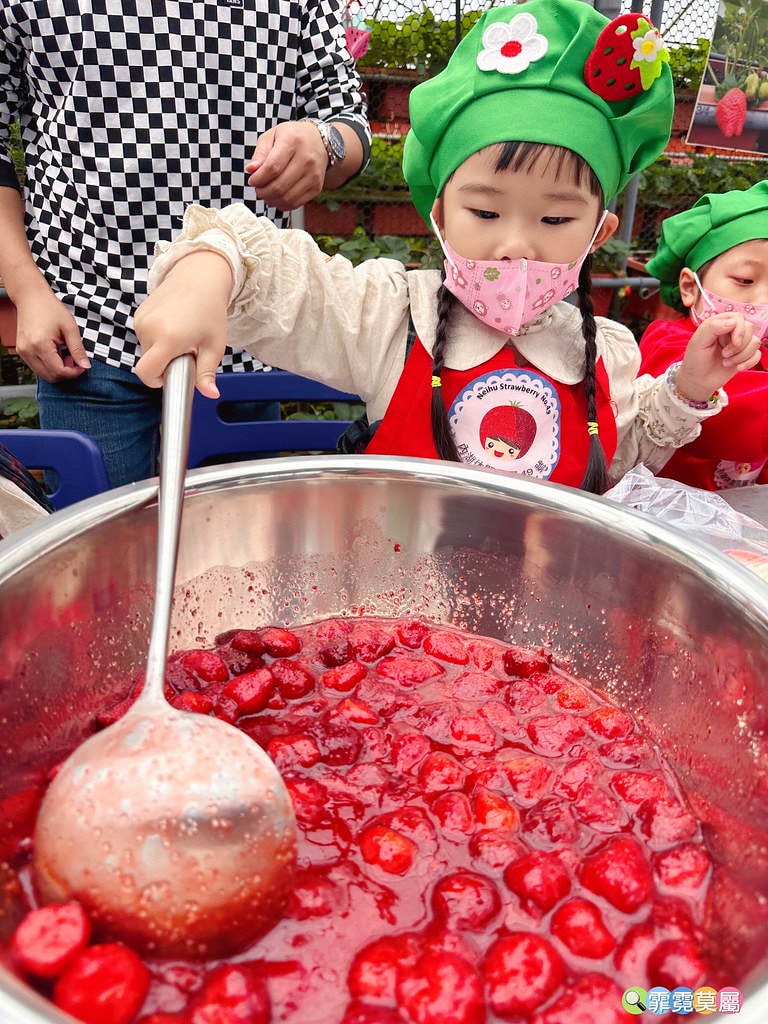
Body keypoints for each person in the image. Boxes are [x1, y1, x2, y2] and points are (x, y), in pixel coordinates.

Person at [132, 0, 761, 494]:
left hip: (542, 609)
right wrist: (207, 270)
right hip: (394, 603)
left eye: (555, 218)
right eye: (485, 211)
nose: (515, 244)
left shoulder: (606, 351)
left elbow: (624, 453)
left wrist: (690, 386)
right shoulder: (391, 319)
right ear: (438, 213)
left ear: (597, 233)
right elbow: (272, 272)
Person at [0, 1, 370, 487]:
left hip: (247, 329)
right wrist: (26, 290)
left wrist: (325, 142)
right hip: (86, 329)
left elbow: (347, 119)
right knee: (99, 535)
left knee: (242, 536)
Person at [637, 182, 768, 491]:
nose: (763, 299)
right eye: (745, 280)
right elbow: (725, 421)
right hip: (656, 509)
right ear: (689, 287)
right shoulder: (668, 344)